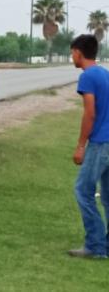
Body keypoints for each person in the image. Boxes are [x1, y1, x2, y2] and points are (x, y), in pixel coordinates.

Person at [69, 34, 109, 259]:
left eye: (72, 52)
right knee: (108, 197)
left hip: (100, 143)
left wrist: (80, 146)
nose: (71, 57)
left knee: (83, 191)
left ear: (78, 52)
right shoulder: (105, 74)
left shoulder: (87, 77)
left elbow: (90, 113)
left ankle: (95, 246)